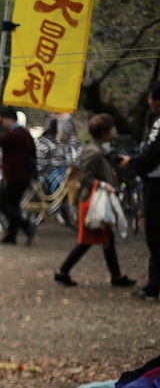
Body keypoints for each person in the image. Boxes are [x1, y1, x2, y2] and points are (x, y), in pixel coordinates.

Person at [54, 114, 136, 288]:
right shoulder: (94, 151)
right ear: (105, 132)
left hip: (96, 200)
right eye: (110, 130)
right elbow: (85, 177)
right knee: (89, 239)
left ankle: (116, 275)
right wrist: (102, 184)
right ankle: (63, 271)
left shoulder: (97, 148)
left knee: (105, 238)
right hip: (93, 201)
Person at [129, 81, 160, 300]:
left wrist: (134, 162)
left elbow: (151, 151)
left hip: (157, 184)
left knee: (156, 236)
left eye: (150, 98)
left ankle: (153, 287)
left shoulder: (158, 122)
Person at [0, 106, 37, 245]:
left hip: (14, 176)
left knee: (3, 204)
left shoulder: (13, 134)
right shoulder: (25, 133)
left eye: (3, 120)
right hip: (24, 175)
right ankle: (11, 236)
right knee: (14, 205)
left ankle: (26, 225)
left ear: (10, 119)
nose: (2, 123)